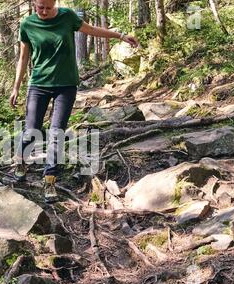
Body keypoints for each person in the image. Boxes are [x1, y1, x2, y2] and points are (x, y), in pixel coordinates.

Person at [10, 0, 139, 203]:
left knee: (56, 133)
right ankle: (21, 161)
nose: (43, 11)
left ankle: (49, 180)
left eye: (48, 8)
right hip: (38, 84)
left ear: (55, 4)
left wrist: (120, 36)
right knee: (31, 131)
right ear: (34, 4)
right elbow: (24, 57)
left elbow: (92, 30)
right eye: (39, 7)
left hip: (66, 85)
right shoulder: (27, 24)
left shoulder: (67, 17)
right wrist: (16, 86)